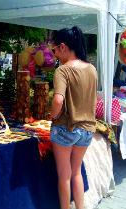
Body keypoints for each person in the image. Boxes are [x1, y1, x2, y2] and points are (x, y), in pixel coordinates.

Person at [50, 26, 98, 209]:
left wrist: (52, 117)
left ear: (63, 46)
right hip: (87, 129)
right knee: (77, 172)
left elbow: (58, 100)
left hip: (66, 128)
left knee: (64, 175)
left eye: (54, 50)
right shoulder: (91, 69)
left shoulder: (62, 70)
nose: (54, 54)